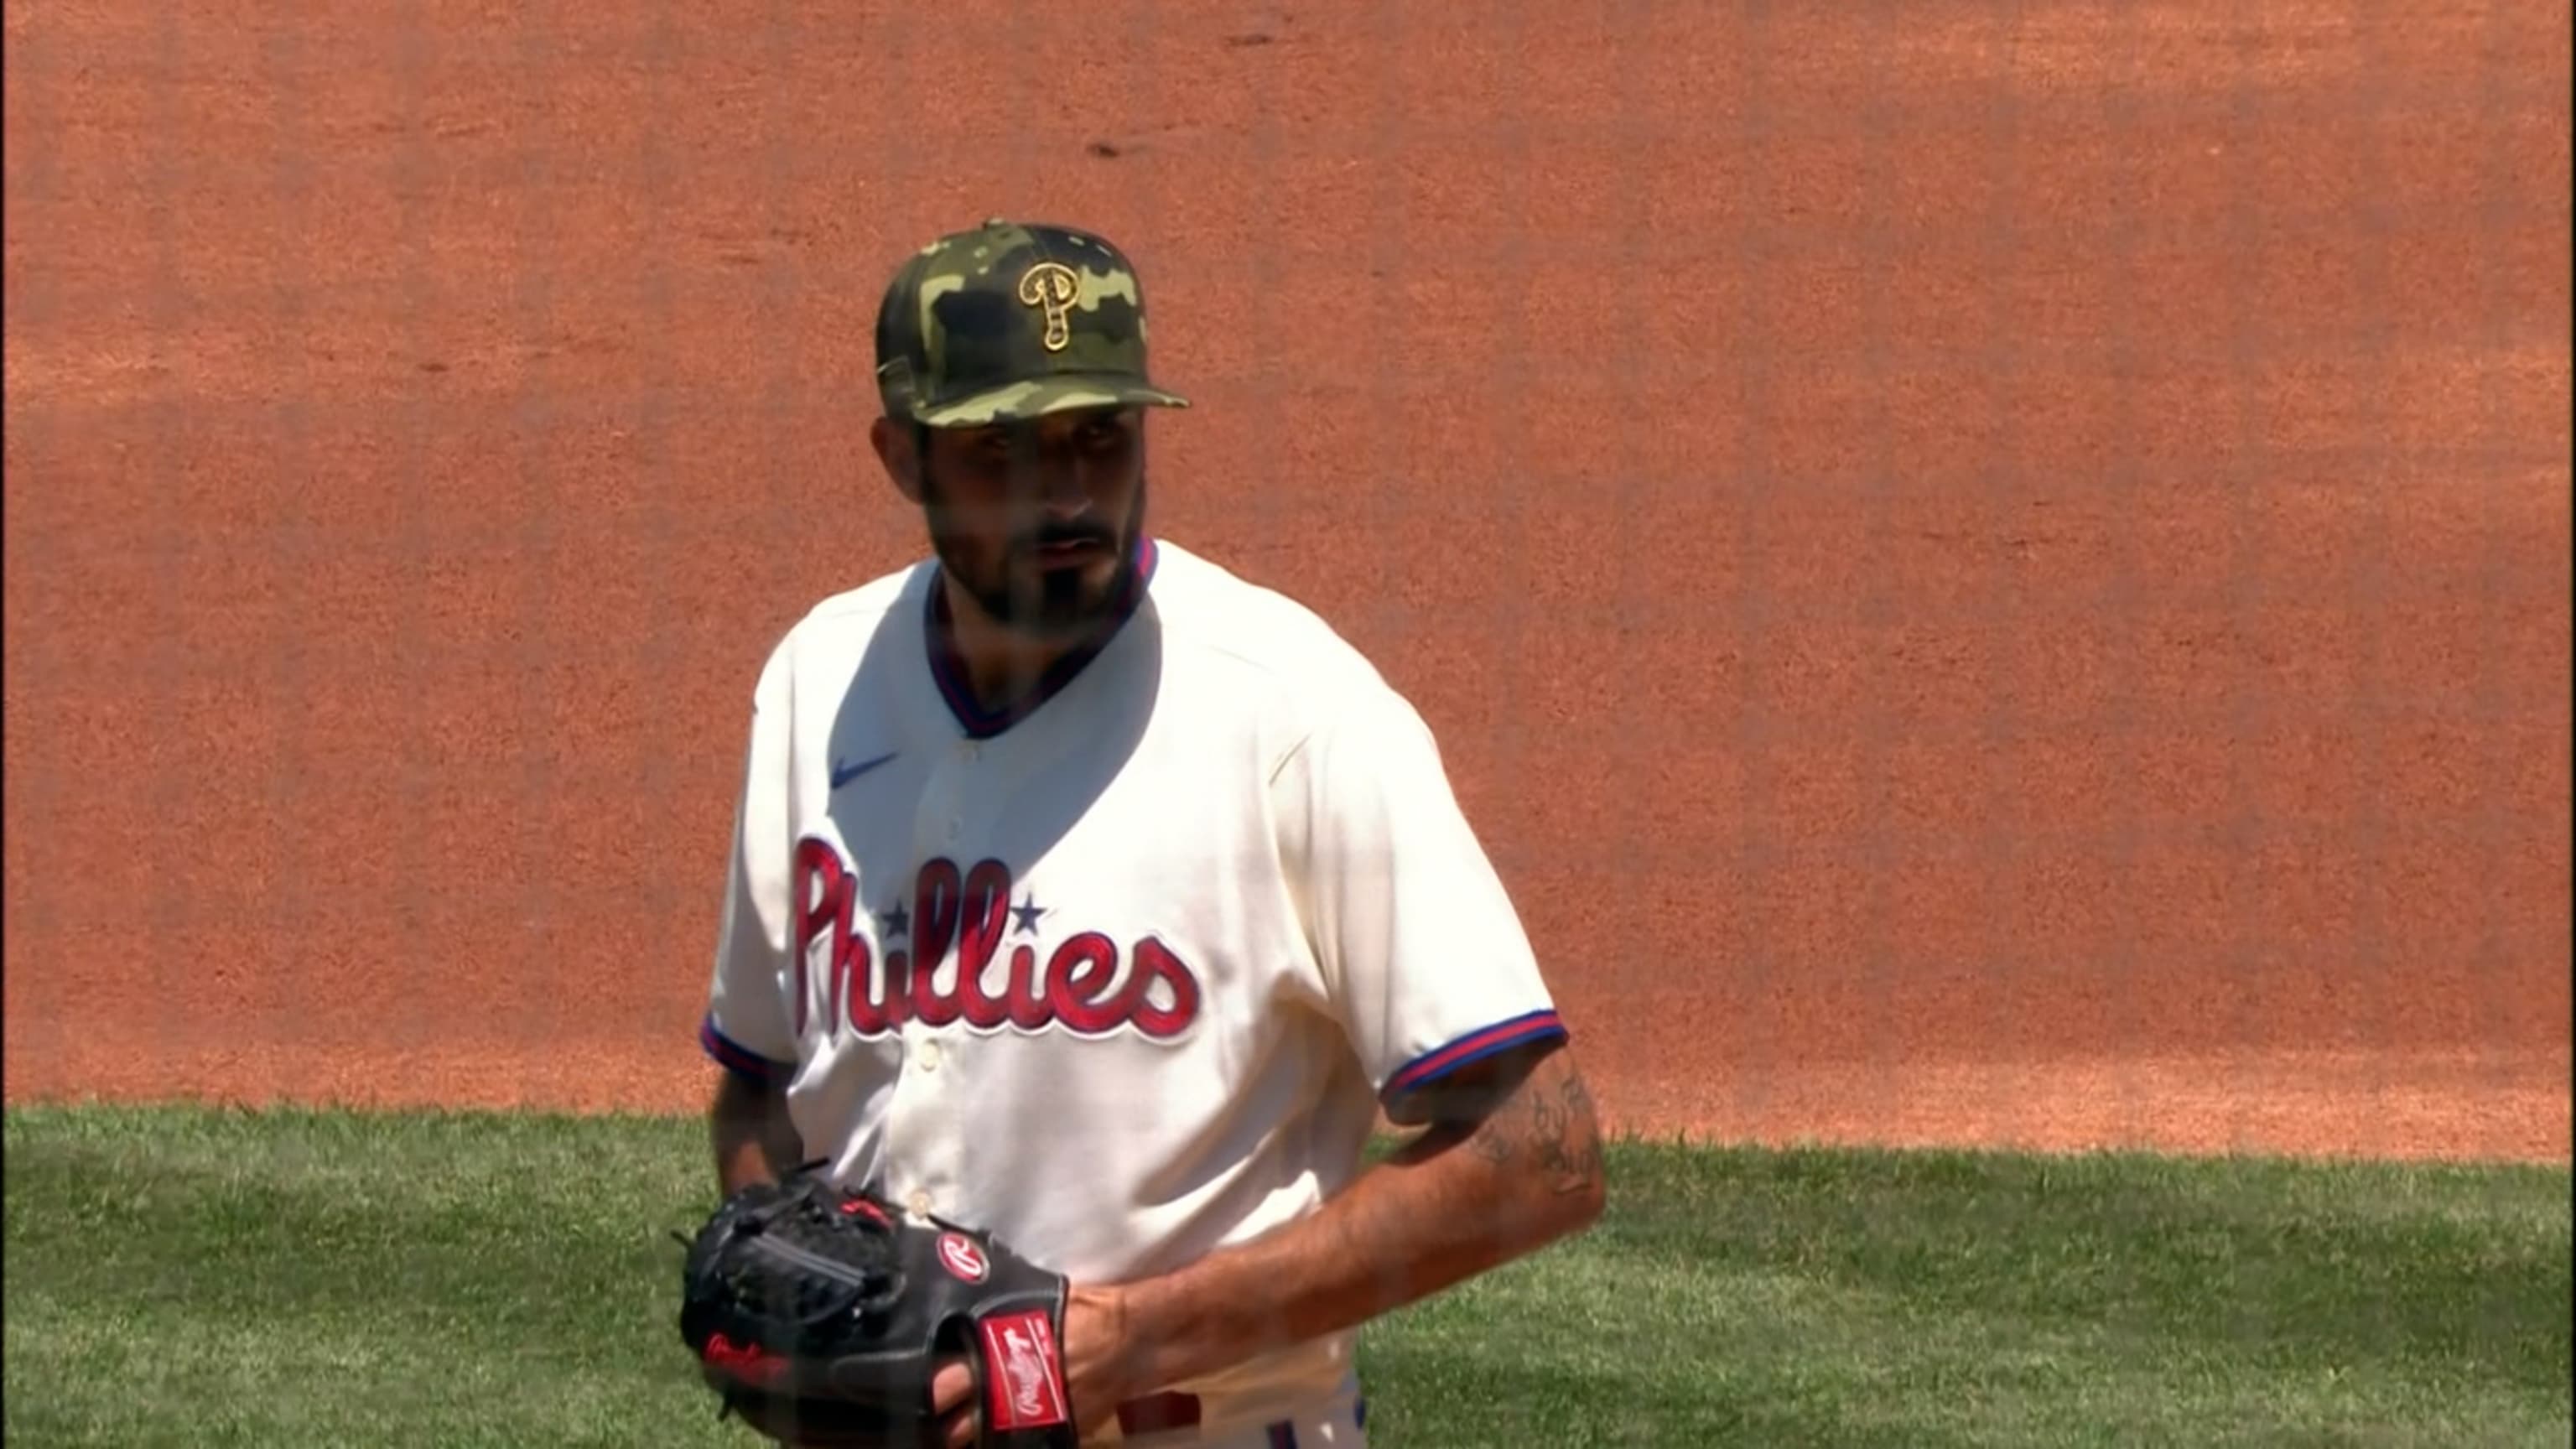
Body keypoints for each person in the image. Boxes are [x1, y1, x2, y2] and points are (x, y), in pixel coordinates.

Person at [696, 217, 1607, 1447]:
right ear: (901, 457)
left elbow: (1542, 1155)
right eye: (1005, 450)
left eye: (1099, 439)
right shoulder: (816, 684)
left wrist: (1129, 1339)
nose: (1068, 492)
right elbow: (754, 1086)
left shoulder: (1293, 715)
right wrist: (795, 1304)